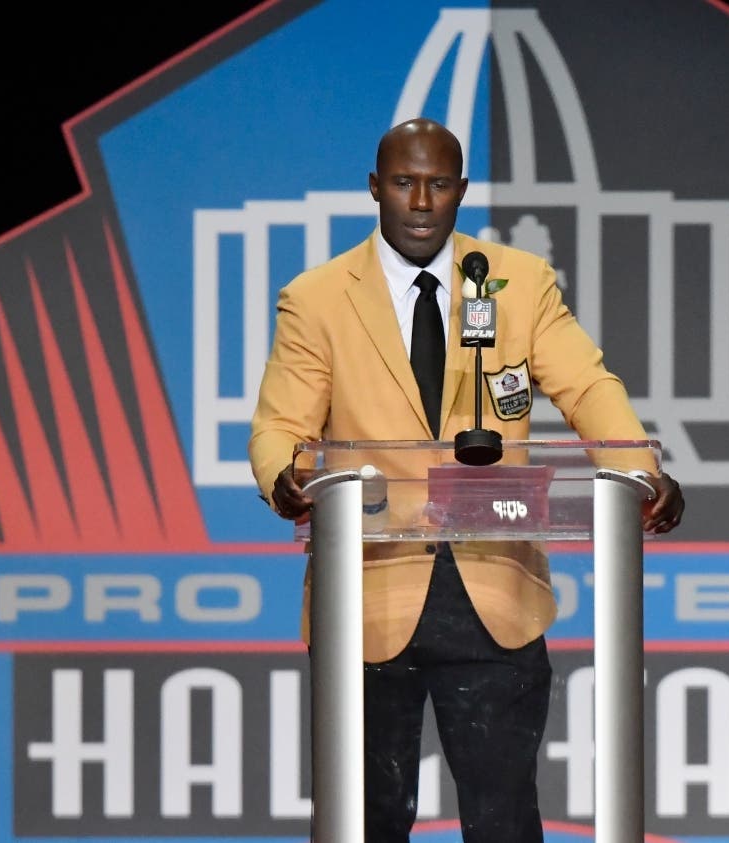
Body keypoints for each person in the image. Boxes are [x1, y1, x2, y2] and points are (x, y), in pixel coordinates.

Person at [248, 117, 684, 842]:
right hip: (366, 595)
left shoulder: (515, 281)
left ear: (461, 193)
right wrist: (285, 477)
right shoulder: (318, 298)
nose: (421, 200)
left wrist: (639, 470)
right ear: (374, 190)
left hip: (492, 591)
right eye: (404, 182)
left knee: (503, 820)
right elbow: (278, 426)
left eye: (439, 184)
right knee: (366, 820)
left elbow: (587, 386)